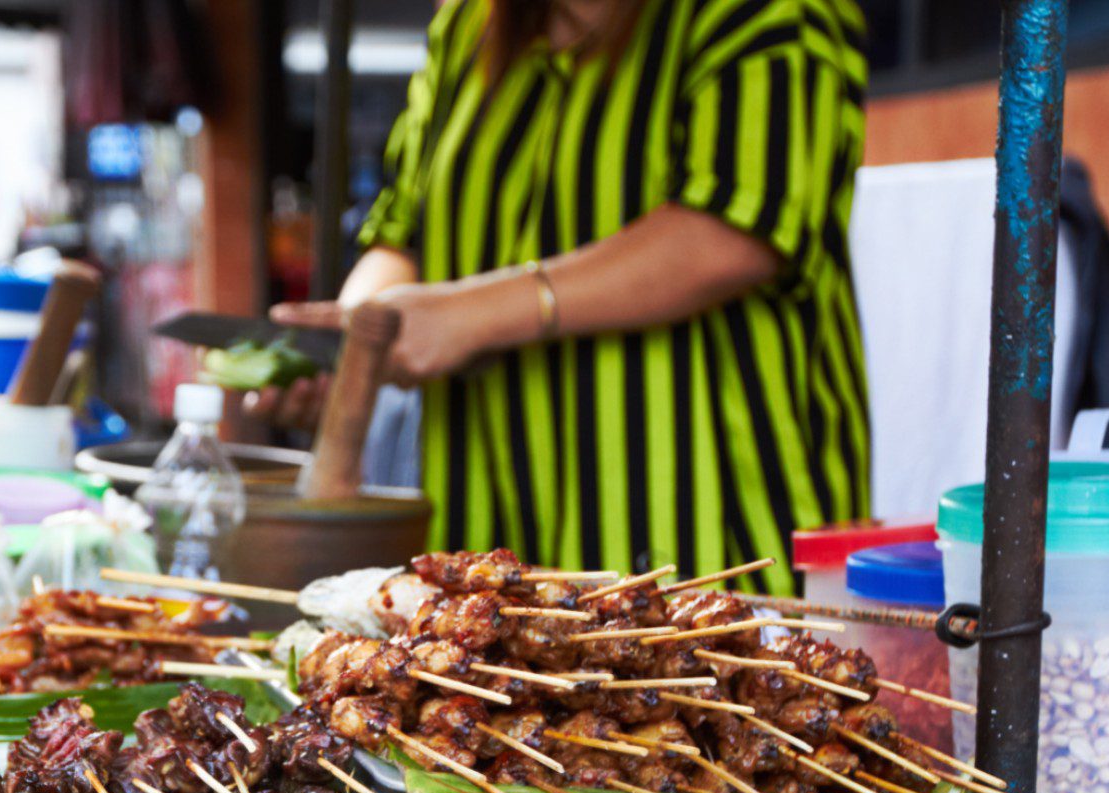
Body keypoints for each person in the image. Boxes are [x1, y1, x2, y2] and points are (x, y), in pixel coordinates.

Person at [255, 0, 870, 596]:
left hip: (708, 541)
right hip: (492, 541)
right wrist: (350, 340)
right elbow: (404, 233)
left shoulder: (765, 12)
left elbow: (738, 229)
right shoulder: (468, 27)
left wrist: (474, 313)